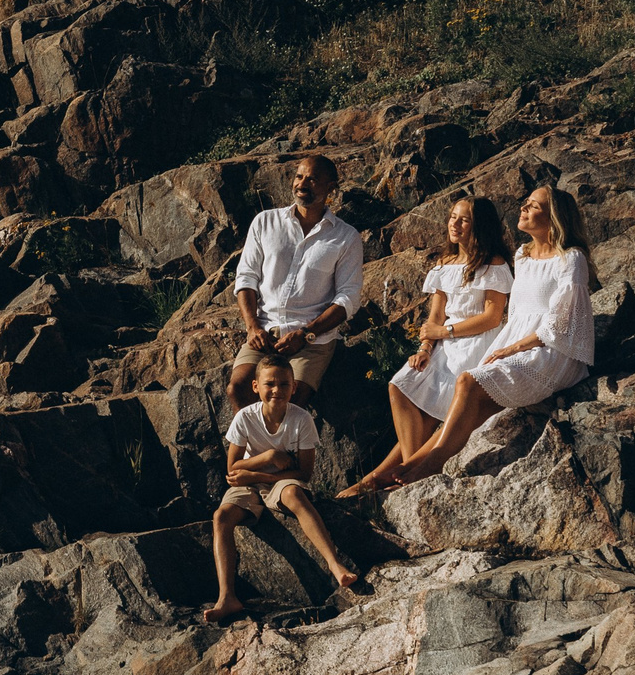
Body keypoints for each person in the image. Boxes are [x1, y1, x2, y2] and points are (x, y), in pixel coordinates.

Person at [387, 184, 597, 486]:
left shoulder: (570, 258)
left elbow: (562, 321)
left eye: (533, 205)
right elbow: (518, 315)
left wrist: (514, 348)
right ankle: (404, 469)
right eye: (525, 202)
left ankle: (429, 466)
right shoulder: (522, 255)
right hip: (516, 342)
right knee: (468, 405)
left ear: (554, 217)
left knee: (467, 381)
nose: (523, 208)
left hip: (551, 351)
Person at [343, 196, 512, 498]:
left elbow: (492, 317)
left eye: (463, 219)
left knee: (435, 414)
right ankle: (407, 469)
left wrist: (444, 331)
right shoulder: (445, 264)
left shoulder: (493, 264)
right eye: (452, 217)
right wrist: (424, 347)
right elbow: (435, 315)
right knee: (400, 384)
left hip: (477, 343)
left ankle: (386, 477)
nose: (454, 223)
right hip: (444, 342)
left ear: (479, 226)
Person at [204, 360, 364, 623]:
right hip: (247, 482)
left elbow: (304, 474)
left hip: (282, 481)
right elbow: (233, 468)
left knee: (293, 494)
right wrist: (268, 456)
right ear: (256, 387)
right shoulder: (245, 417)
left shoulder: (301, 420)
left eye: (283, 384)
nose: (276, 389)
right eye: (269, 383)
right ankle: (227, 597)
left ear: (294, 388)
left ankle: (334, 565)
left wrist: (262, 475)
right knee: (221, 517)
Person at [229, 153, 364, 413]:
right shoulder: (265, 222)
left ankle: (277, 454)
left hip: (312, 342)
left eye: (313, 179)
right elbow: (246, 277)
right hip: (264, 333)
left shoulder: (346, 237)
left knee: (287, 404)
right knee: (238, 389)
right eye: (299, 176)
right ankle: (251, 454)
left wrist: (305, 334)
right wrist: (252, 326)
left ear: (330, 187)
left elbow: (348, 299)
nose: (302, 184)